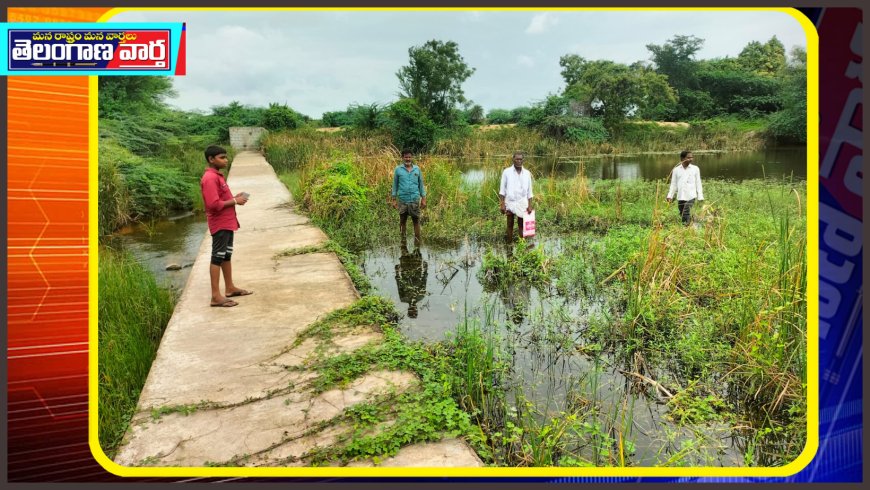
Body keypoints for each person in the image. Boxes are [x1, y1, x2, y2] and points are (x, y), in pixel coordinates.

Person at [201, 145, 252, 307]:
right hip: (220, 223)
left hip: (228, 222)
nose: (226, 160)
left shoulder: (218, 176)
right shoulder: (209, 178)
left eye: (226, 157)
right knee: (217, 257)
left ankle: (229, 287)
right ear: (211, 159)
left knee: (226, 255)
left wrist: (234, 198)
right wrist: (235, 201)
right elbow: (213, 205)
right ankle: (216, 296)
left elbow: (221, 199)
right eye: (222, 157)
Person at [391, 149, 427, 242]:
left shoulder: (417, 169)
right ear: (402, 157)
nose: (408, 159)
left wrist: (423, 198)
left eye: (409, 157)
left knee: (416, 221)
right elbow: (395, 185)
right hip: (403, 200)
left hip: (414, 199)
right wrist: (394, 199)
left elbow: (421, 184)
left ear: (412, 157)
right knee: (402, 221)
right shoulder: (398, 170)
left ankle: (417, 243)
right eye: (406, 157)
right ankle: (403, 242)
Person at [499, 152, 534, 241]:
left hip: (522, 202)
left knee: (521, 225)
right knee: (510, 225)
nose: (519, 161)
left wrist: (530, 205)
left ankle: (521, 247)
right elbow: (502, 190)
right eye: (517, 159)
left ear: (523, 160)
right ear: (513, 160)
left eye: (520, 159)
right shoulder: (506, 172)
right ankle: (509, 247)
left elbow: (530, 192)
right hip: (510, 202)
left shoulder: (527, 173)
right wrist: (502, 204)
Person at [666, 150, 704, 226]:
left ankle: (686, 228)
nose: (691, 159)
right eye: (688, 157)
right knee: (682, 213)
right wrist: (670, 196)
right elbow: (673, 184)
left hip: (691, 196)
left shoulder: (695, 169)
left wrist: (700, 196)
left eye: (692, 157)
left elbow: (698, 182)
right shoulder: (676, 170)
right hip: (681, 196)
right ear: (682, 158)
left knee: (686, 211)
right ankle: (691, 226)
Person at [394, 241, 428, 318]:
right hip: (417, 268)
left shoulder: (403, 298)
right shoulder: (420, 296)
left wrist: (397, 272)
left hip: (405, 270)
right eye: (414, 310)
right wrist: (425, 269)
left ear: (408, 309)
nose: (413, 308)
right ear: (417, 309)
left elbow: (399, 284)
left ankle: (403, 234)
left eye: (411, 310)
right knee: (417, 246)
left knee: (403, 247)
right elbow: (424, 281)